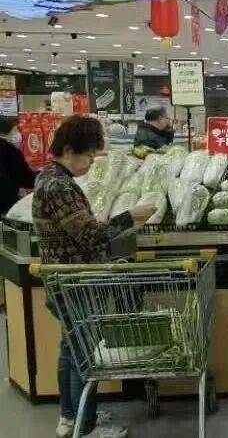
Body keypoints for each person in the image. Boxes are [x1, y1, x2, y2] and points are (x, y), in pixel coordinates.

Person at [32, 116, 156, 438]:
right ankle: (85, 427)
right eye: (88, 155)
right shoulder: (60, 186)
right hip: (75, 283)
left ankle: (69, 418)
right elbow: (90, 236)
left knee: (70, 350)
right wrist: (130, 216)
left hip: (63, 279)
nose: (91, 162)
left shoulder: (49, 178)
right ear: (69, 150)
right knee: (84, 356)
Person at [0, 116, 37, 216]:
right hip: (5, 205)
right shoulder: (9, 151)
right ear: (3, 134)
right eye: (15, 131)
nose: (18, 134)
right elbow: (25, 178)